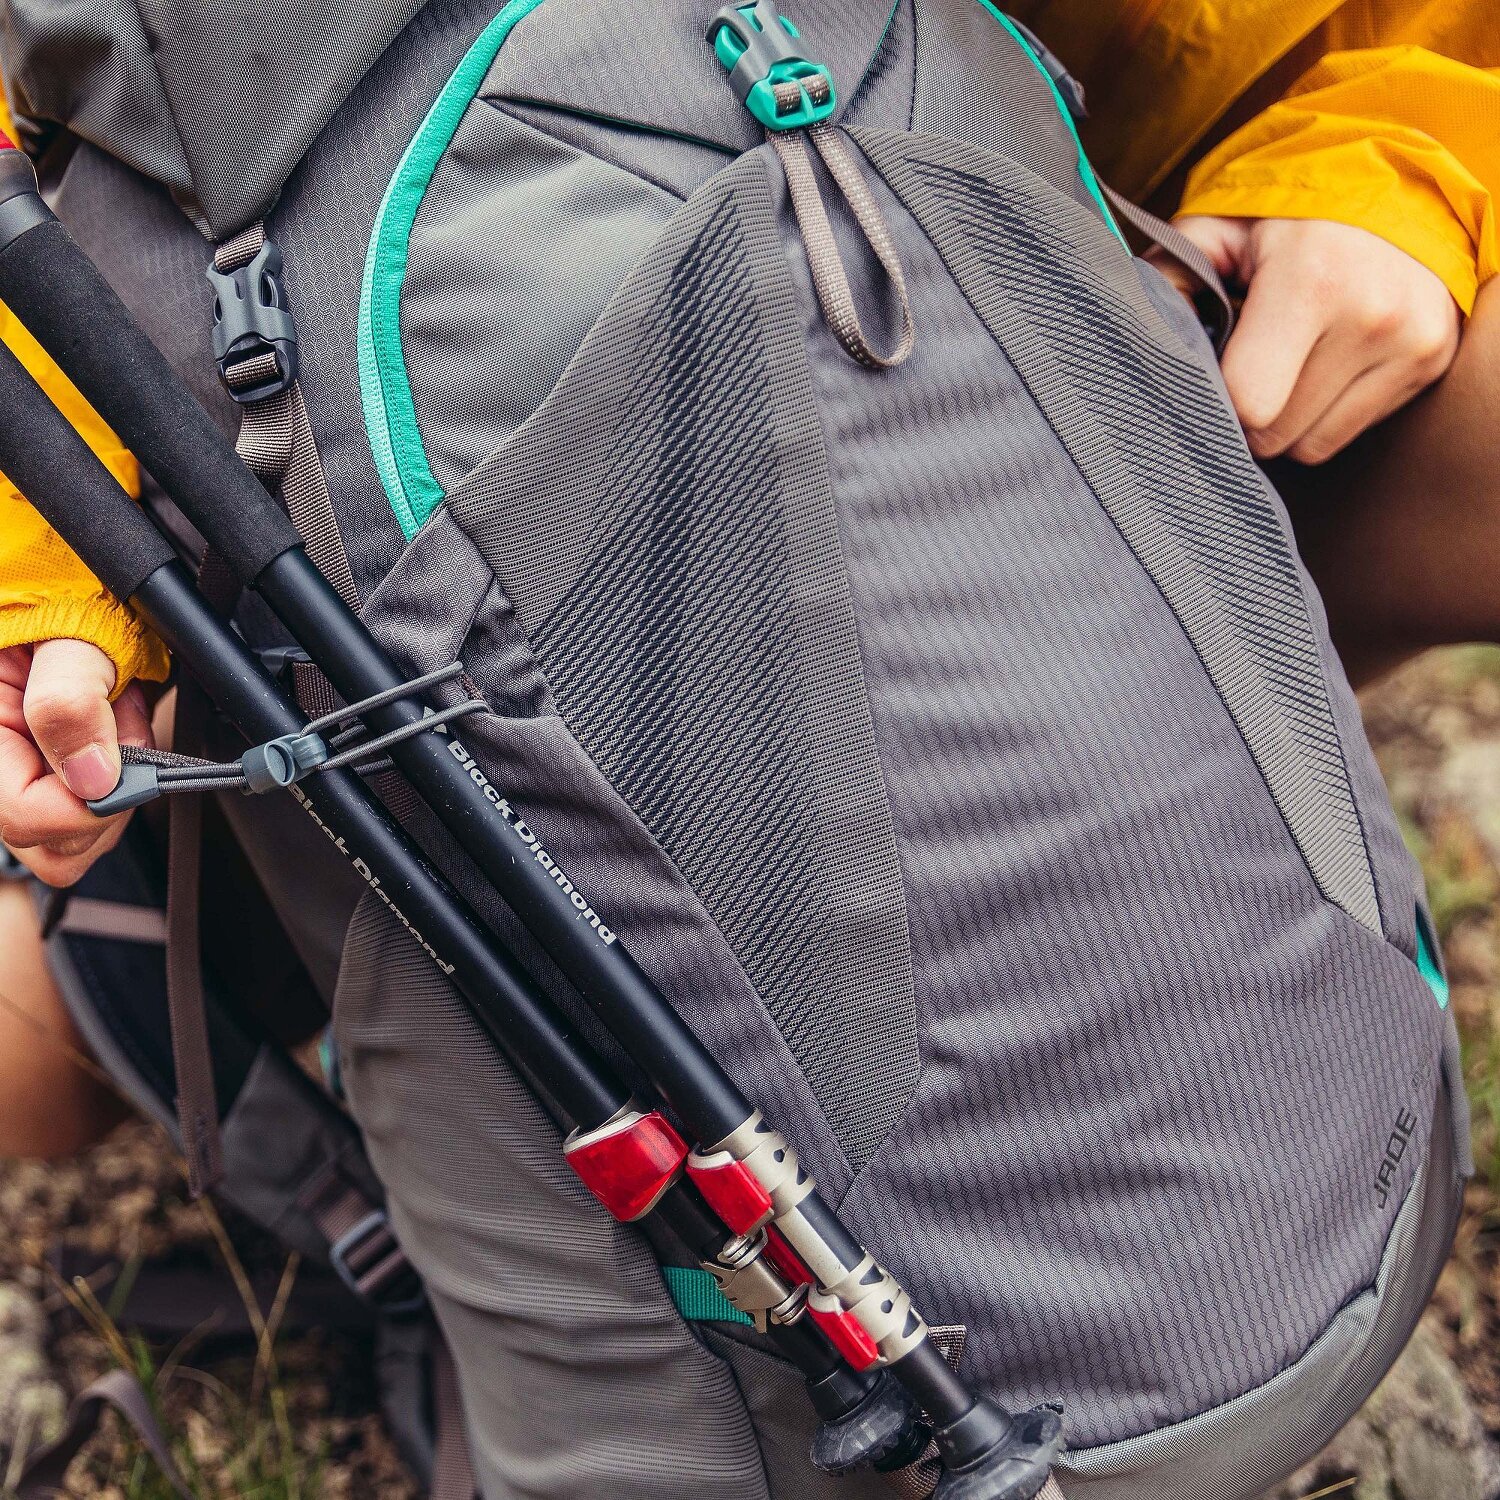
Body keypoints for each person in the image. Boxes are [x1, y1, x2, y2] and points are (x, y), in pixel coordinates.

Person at [0, 3, 1493, 1156]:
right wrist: (62, 567)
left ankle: (1190, 849)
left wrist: (1385, 154)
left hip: (1053, 404)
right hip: (332, 594)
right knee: (26, 1061)